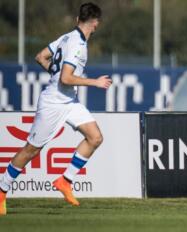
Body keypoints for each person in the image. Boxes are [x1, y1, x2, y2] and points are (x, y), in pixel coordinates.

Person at [0, 2, 112, 215]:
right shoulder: (77, 45)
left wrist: (54, 72)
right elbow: (66, 77)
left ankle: (64, 180)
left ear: (77, 20)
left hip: (69, 102)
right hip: (53, 104)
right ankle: (1, 189)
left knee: (95, 137)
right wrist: (95, 82)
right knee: (31, 150)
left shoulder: (66, 37)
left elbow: (40, 57)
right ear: (96, 23)